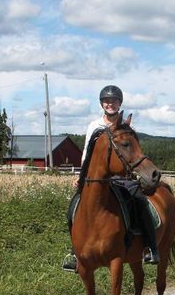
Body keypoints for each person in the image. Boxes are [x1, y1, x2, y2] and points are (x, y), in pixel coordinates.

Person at [63, 85, 159, 271]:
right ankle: (76, 252)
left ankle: (150, 247)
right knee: (74, 206)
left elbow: (133, 152)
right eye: (107, 101)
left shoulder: (126, 127)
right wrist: (82, 176)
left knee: (140, 200)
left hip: (121, 176)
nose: (110, 104)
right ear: (101, 104)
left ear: (119, 103)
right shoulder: (94, 126)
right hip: (97, 178)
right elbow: (87, 153)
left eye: (114, 101)